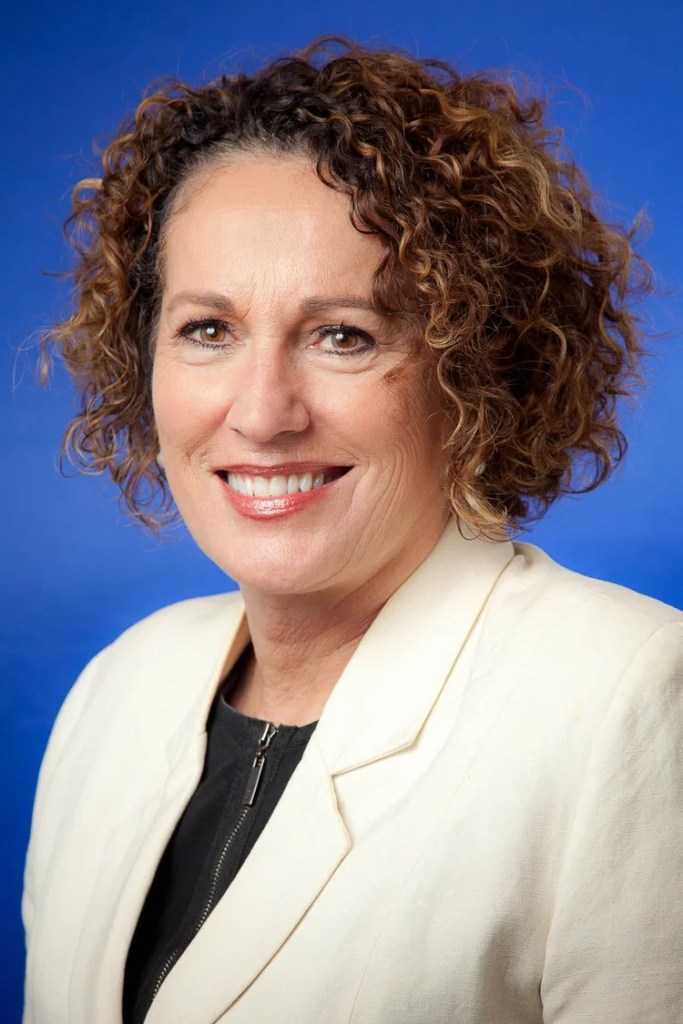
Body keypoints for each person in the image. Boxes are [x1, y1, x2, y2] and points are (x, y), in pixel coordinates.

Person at [22, 35, 683, 1024]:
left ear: (471, 370)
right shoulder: (119, 687)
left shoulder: (630, 696)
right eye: (208, 329)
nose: (261, 411)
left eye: (343, 335)